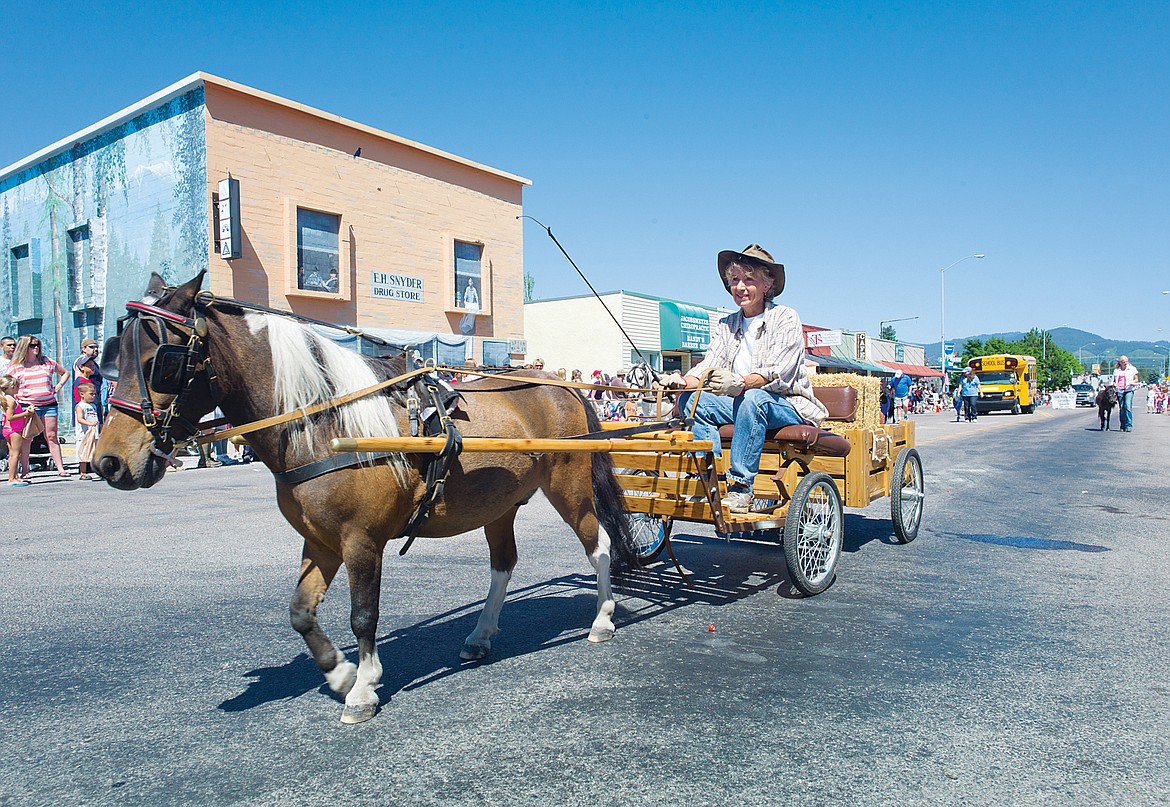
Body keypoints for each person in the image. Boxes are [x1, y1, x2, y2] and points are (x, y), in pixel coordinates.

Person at [662, 244, 827, 514]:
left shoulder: (785, 317)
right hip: (743, 402)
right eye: (735, 280)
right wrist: (680, 381)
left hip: (785, 404)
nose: (740, 287)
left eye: (749, 280)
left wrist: (741, 383)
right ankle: (709, 481)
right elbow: (710, 365)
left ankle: (741, 488)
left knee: (753, 399)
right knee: (692, 401)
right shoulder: (726, 324)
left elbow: (779, 370)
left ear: (767, 284)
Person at [7, 336, 70, 475]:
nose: (36, 348)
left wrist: (58, 386)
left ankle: (61, 468)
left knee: (52, 435)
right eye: (32, 345)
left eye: (37, 345)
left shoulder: (47, 361)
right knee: (27, 437)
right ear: (24, 347)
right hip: (27, 406)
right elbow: (7, 384)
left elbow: (65, 373)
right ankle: (25, 470)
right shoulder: (15, 366)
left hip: (49, 404)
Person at [0, 375, 31, 486]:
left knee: (12, 453)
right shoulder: (11, 400)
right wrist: (25, 413)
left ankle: (14, 475)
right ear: (11, 387)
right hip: (14, 429)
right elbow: (10, 417)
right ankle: (11, 478)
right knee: (15, 454)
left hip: (8, 429)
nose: (18, 387)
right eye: (17, 386)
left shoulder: (7, 399)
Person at [73, 382, 101, 480]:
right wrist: (90, 424)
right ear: (82, 394)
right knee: (83, 453)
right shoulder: (80, 406)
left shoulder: (93, 406)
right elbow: (80, 419)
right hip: (84, 434)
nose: (93, 396)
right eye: (91, 394)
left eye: (94, 394)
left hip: (94, 433)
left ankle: (97, 470)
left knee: (95, 452)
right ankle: (82, 472)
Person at [1114, 355, 1138, 431]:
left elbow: (1136, 379)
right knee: (1122, 408)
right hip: (1119, 390)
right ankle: (1123, 425)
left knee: (1127, 406)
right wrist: (1114, 384)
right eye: (1123, 362)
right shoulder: (1116, 371)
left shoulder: (1132, 369)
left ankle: (1129, 425)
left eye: (1126, 361)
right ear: (1120, 362)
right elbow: (1115, 380)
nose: (1125, 363)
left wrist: (1132, 382)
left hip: (1129, 389)